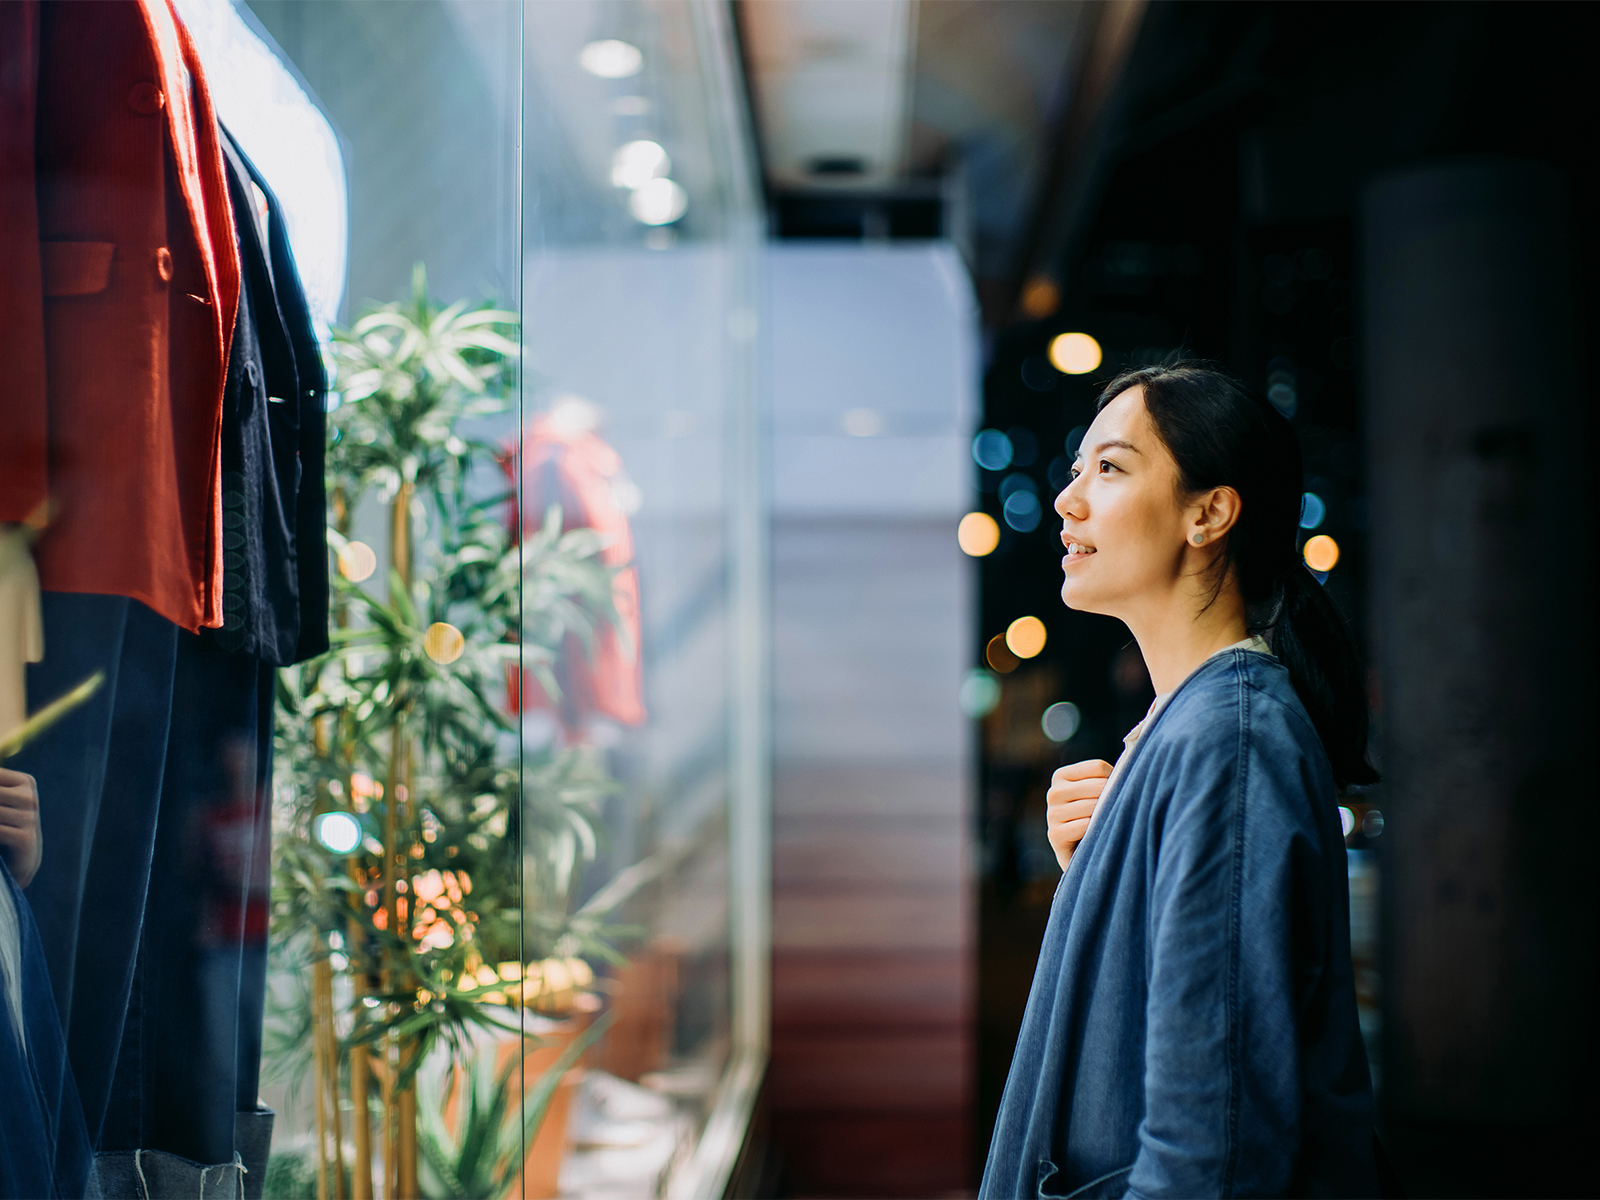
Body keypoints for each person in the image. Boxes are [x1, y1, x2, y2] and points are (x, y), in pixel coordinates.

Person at [980, 363, 1378, 1199]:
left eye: (1112, 468)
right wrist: (1104, 865)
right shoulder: (1191, 731)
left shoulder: (1227, 744)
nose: (1068, 498)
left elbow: (1213, 1144)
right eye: (1077, 467)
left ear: (1209, 513)